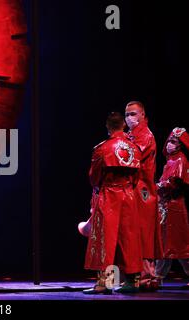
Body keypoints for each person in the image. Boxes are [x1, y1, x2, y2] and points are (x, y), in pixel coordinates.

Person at [83, 112, 143, 294]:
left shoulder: (102, 148)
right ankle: (133, 280)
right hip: (129, 195)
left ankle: (105, 283)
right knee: (129, 237)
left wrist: (100, 187)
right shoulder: (134, 148)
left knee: (106, 239)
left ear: (108, 127)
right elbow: (137, 176)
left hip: (109, 194)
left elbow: (94, 177)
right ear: (124, 125)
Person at [125, 101, 163, 290]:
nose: (129, 118)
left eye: (132, 114)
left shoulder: (145, 136)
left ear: (142, 115)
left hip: (143, 192)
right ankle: (139, 277)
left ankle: (147, 277)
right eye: (126, 115)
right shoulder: (131, 135)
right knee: (134, 235)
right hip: (134, 190)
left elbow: (131, 157)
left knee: (143, 235)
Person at [155, 127, 189, 286]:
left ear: (180, 145)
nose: (169, 144)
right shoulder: (170, 160)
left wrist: (158, 186)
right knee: (165, 243)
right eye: (169, 140)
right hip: (166, 207)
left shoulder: (180, 159)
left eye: (174, 141)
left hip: (174, 207)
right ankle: (157, 277)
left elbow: (176, 182)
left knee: (180, 244)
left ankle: (157, 277)